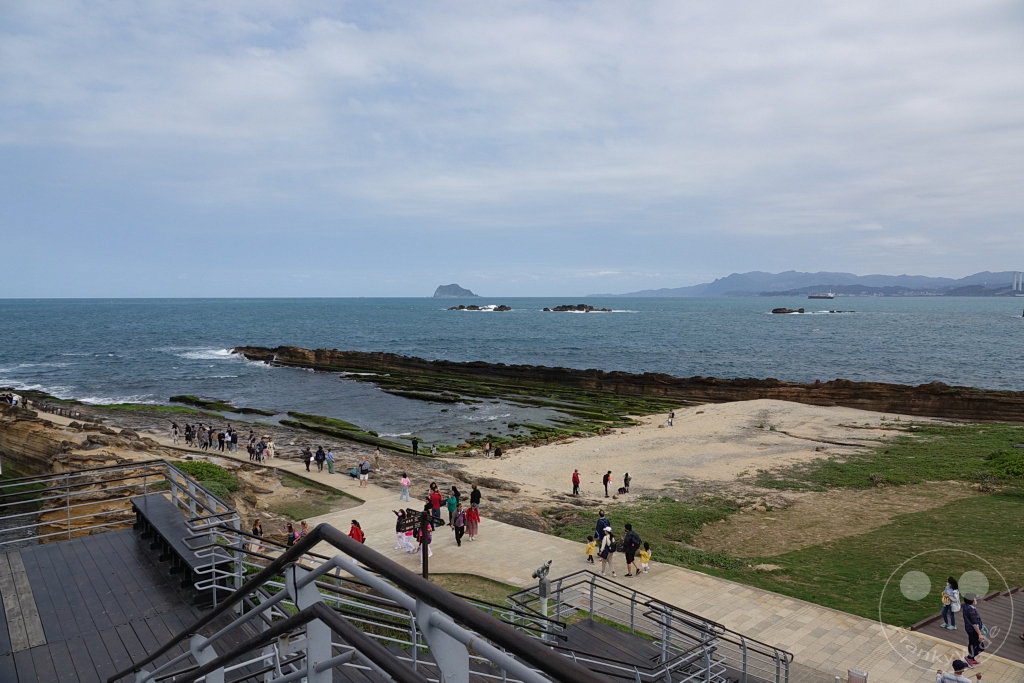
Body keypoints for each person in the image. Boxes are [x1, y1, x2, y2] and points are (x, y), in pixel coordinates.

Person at [962, 594, 985, 667]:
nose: (976, 600)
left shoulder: (966, 607)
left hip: (968, 629)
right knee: (981, 647)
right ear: (971, 601)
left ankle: (971, 659)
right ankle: (969, 658)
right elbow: (974, 624)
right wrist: (979, 634)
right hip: (973, 631)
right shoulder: (971, 610)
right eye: (974, 599)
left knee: (972, 643)